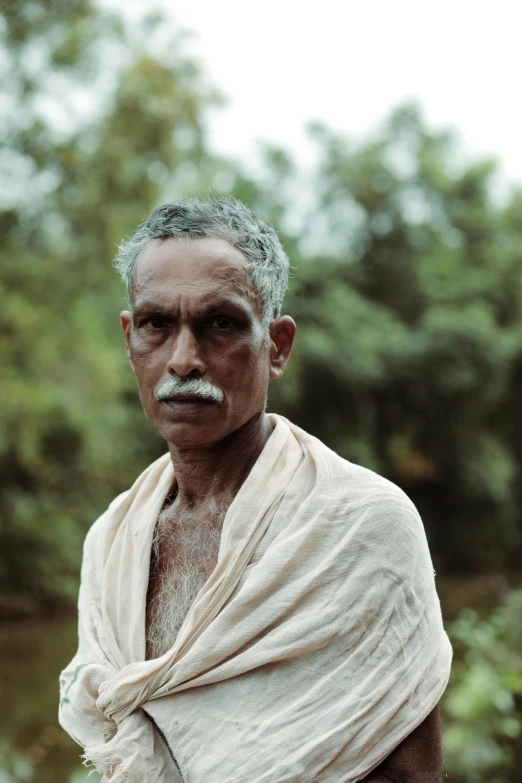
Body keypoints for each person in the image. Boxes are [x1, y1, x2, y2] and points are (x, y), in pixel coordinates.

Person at [59, 197, 452, 783]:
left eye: (221, 323)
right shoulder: (111, 540)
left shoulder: (363, 524)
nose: (184, 359)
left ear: (277, 345)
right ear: (129, 339)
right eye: (157, 324)